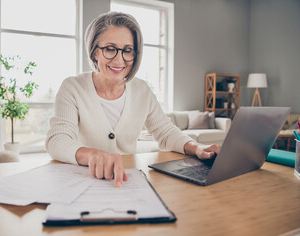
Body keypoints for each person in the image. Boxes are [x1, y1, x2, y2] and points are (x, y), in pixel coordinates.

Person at [46, 12, 220, 188]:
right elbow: (58, 140)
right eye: (110, 49)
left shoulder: (142, 90)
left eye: (127, 50)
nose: (119, 59)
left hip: (128, 181)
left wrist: (197, 147)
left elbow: (166, 132)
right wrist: (93, 155)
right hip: (84, 179)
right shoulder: (72, 87)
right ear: (94, 51)